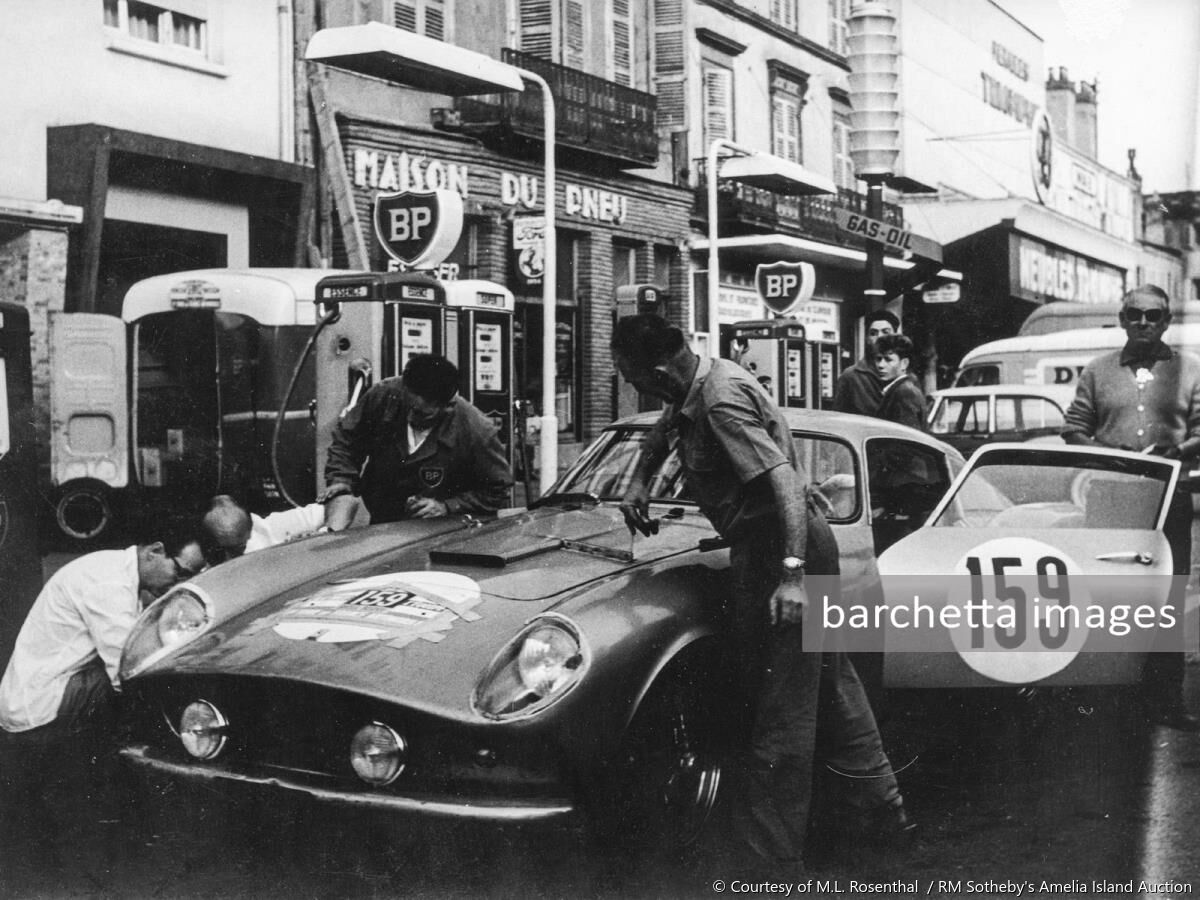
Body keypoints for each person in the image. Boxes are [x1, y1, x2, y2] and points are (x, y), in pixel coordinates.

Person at [611, 314, 910, 873]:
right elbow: (665, 425)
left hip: (779, 548)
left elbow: (787, 487)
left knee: (781, 710)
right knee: (832, 687)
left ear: (659, 371)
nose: (632, 385)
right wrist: (638, 480)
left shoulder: (720, 403)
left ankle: (769, 862)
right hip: (783, 544)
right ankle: (882, 814)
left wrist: (792, 577)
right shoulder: (698, 380)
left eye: (632, 377)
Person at [0, 530, 206, 875]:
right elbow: (127, 671)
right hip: (41, 703)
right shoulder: (107, 585)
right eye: (181, 571)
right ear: (155, 551)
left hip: (53, 692)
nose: (180, 583)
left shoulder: (116, 571)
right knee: (139, 677)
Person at [1062, 284, 1200, 731]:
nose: (1143, 322)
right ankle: (1108, 702)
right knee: (1108, 596)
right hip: (1112, 498)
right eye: (1135, 314)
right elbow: (1074, 427)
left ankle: (1166, 701)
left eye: (1153, 315)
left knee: (1165, 596)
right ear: (1122, 319)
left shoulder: (1190, 370)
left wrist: (1177, 452)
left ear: (1167, 322)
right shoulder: (1097, 370)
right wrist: (1107, 454)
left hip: (1168, 499)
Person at [322, 354, 512, 530]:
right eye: (409, 407)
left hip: (443, 529)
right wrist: (341, 478)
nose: (412, 418)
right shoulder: (384, 395)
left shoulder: (476, 430)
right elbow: (347, 440)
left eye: (423, 414)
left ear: (447, 407)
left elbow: (498, 490)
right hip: (383, 520)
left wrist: (448, 506)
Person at [200, 494, 329, 564]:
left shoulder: (274, 527)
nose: (229, 555)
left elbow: (336, 504)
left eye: (237, 547)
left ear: (251, 529)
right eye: (223, 549)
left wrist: (322, 534)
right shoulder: (201, 555)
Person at [833, 309, 899, 416]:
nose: (879, 337)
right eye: (873, 333)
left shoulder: (905, 375)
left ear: (896, 336)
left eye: (885, 332)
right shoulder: (851, 377)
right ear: (867, 339)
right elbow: (839, 418)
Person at [872, 333, 927, 430]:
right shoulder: (902, 389)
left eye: (888, 360)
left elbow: (906, 436)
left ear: (904, 364)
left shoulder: (905, 393)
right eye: (878, 359)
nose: (881, 365)